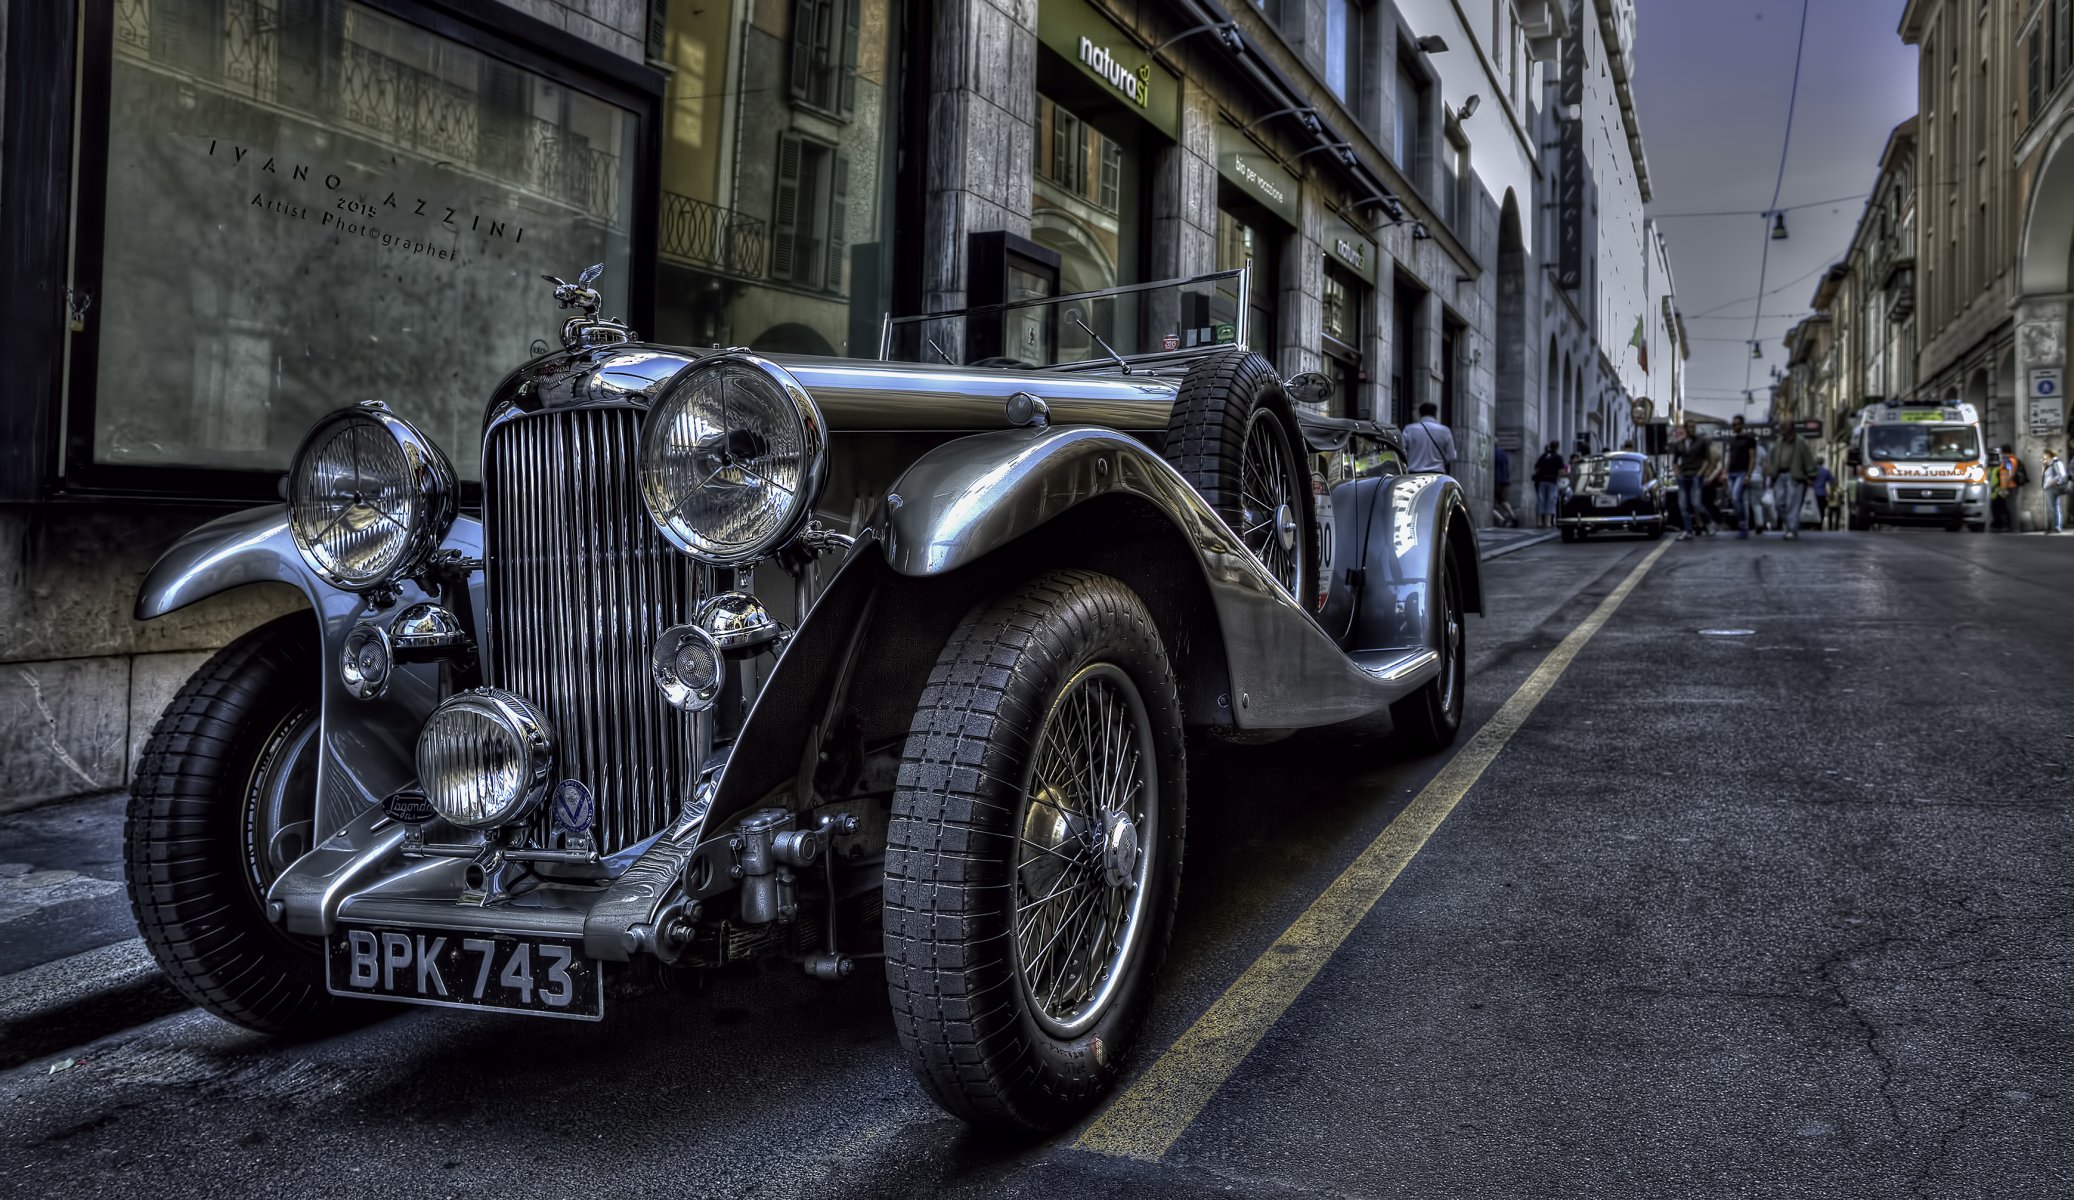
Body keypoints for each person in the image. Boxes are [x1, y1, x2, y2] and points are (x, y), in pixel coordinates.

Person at [1771, 423, 1819, 540]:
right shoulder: (1778, 442)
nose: (1783, 432)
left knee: (1793, 504)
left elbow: (1807, 458)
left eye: (1785, 429)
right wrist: (1771, 472)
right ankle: (1790, 525)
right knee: (1779, 504)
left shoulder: (1800, 442)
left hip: (1795, 476)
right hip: (1780, 475)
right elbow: (1773, 457)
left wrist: (1811, 475)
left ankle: (1791, 530)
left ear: (1791, 430)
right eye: (1781, 429)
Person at [1674, 419, 1711, 541]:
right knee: (1683, 505)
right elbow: (1674, 462)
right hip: (1683, 476)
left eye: (1694, 427)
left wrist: (1700, 473)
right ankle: (1688, 531)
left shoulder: (1701, 442)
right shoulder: (1679, 444)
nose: (1693, 429)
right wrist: (1677, 473)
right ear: (1685, 429)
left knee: (1696, 503)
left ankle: (1709, 522)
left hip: (1696, 475)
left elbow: (1707, 459)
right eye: (1690, 427)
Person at [1725, 415, 1759, 539]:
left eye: (1737, 424)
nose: (1735, 426)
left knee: (1735, 497)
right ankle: (1742, 526)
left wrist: (1749, 474)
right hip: (1731, 474)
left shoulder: (1749, 439)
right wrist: (1725, 472)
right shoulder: (1732, 440)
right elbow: (1729, 457)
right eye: (1733, 425)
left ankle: (1743, 527)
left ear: (1742, 425)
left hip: (1742, 473)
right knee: (1734, 501)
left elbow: (1753, 457)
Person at [1404, 402, 1456, 475]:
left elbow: (1402, 452)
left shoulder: (1409, 429)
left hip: (1413, 474)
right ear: (1435, 414)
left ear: (1420, 414)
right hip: (1437, 474)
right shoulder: (1445, 431)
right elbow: (1451, 456)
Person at [1532, 441, 1564, 528]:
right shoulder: (1558, 457)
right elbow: (1561, 471)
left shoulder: (1543, 456)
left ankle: (1539, 521)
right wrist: (1559, 478)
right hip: (1552, 480)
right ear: (1557, 447)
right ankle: (1548, 521)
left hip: (1542, 480)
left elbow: (1536, 468)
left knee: (1541, 500)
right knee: (1551, 500)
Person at [1990, 444, 2017, 532]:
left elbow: (2010, 473)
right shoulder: (2009, 459)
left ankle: (2005, 525)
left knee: (2003, 506)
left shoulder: (2008, 460)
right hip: (2004, 486)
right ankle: (2000, 524)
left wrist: (2004, 487)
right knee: (2001, 505)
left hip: (2006, 486)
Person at [2044, 446, 2067, 534]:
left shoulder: (2055, 462)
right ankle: (2054, 526)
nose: (2044, 456)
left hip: (2052, 487)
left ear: (2049, 454)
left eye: (2045, 454)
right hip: (2049, 487)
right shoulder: (2050, 463)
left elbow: (2061, 474)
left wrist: (2050, 483)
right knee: (2054, 507)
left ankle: (2056, 526)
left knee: (2053, 507)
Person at [1492, 443, 1516, 527]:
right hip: (1504, 480)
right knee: (1503, 500)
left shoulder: (1493, 452)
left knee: (1493, 503)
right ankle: (1512, 516)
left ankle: (1502, 520)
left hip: (1496, 480)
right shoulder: (1503, 453)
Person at [1813, 461, 1838, 531]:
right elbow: (1833, 482)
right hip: (1821, 494)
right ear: (1822, 463)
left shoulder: (1812, 471)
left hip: (1812, 494)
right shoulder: (1825, 472)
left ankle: (1812, 523)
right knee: (1821, 510)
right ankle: (1819, 524)